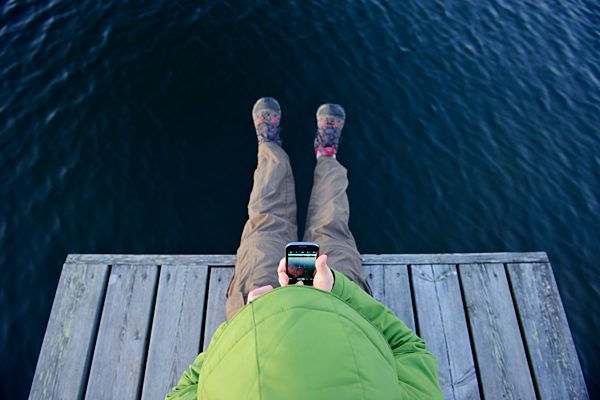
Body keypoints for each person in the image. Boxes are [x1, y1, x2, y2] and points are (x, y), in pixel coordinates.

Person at [166, 98, 442, 400]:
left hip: (257, 316)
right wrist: (340, 290)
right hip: (344, 310)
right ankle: (327, 156)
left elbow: (183, 392)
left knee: (264, 224)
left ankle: (270, 149)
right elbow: (410, 352)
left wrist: (246, 323)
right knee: (332, 226)